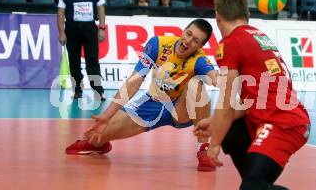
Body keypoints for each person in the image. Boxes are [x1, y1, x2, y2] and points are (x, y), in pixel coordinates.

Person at [194, 0, 316, 190]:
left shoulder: (230, 43)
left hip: (283, 124)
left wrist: (213, 143)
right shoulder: (258, 36)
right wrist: (218, 125)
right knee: (231, 130)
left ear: (217, 17)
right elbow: (251, 100)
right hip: (278, 117)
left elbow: (227, 100)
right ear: (247, 14)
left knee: (252, 185)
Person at [64, 18, 219, 173]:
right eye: (188, 34)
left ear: (200, 46)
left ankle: (204, 148)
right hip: (152, 102)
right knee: (97, 136)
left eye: (195, 40)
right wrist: (107, 115)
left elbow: (214, 77)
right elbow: (134, 81)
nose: (188, 41)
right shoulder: (158, 44)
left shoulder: (200, 59)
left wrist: (224, 79)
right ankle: (99, 144)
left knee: (196, 84)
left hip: (179, 109)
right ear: (183, 31)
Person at [57, 0, 106, 100]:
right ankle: (77, 90)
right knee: (74, 61)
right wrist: (61, 32)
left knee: (92, 60)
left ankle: (98, 90)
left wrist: (102, 28)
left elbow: (101, 7)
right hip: (72, 29)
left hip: (90, 28)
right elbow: (60, 11)